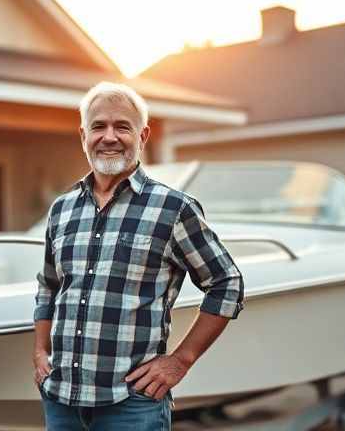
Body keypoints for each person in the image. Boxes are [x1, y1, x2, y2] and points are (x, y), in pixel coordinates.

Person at [32, 82, 245, 430]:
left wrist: (180, 360)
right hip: (61, 401)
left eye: (122, 126)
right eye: (98, 126)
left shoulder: (174, 208)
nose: (109, 136)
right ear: (83, 135)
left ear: (142, 135)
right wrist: (40, 351)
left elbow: (227, 283)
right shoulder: (62, 210)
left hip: (130, 405)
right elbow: (48, 286)